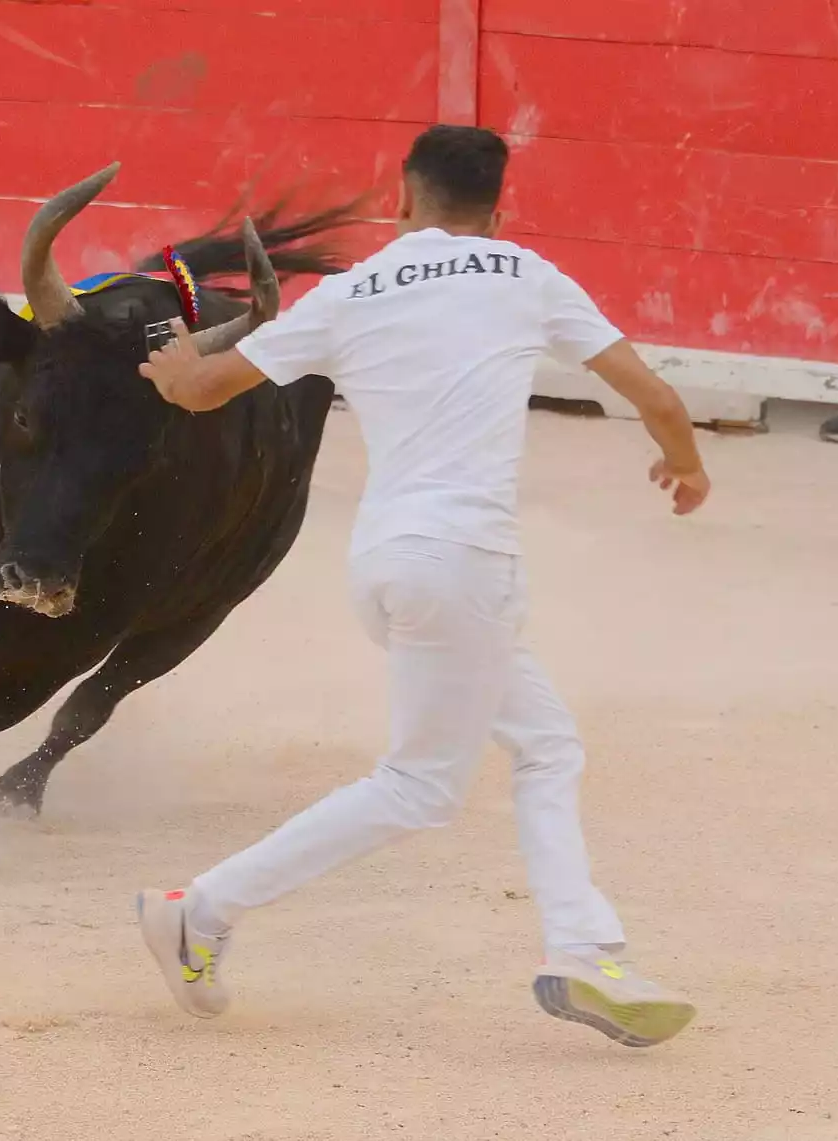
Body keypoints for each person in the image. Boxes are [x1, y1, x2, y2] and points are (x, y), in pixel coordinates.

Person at [133, 124, 710, 1047]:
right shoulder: (527, 276)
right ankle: (199, 909)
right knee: (419, 786)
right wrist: (687, 468)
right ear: (497, 205)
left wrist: (170, 374)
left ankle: (586, 945)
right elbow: (656, 398)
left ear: (403, 195)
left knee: (548, 745)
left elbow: (205, 390)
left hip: (391, 562)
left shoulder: (355, 289)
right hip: (463, 565)